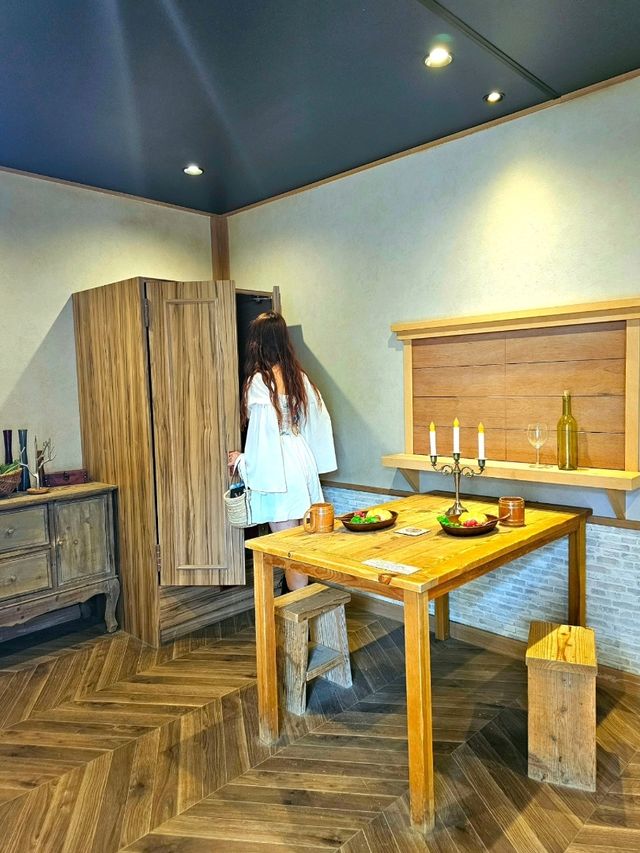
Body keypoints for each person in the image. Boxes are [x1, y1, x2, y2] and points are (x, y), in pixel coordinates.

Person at [228, 311, 337, 590]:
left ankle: (295, 610)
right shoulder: (298, 376)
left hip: (280, 468)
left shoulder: (259, 381)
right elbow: (318, 421)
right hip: (301, 458)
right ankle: (298, 602)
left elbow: (263, 437)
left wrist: (242, 462)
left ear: (258, 342)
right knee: (301, 545)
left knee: (288, 550)